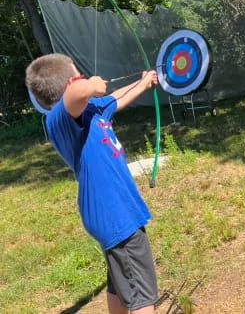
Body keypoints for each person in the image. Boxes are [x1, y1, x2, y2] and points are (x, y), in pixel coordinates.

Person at [25, 53, 158, 314]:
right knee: (142, 296)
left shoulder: (91, 111)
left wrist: (143, 83)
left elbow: (115, 99)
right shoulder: (58, 120)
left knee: (120, 283)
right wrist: (90, 85)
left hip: (115, 211)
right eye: (78, 76)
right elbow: (76, 94)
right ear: (72, 82)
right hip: (115, 214)